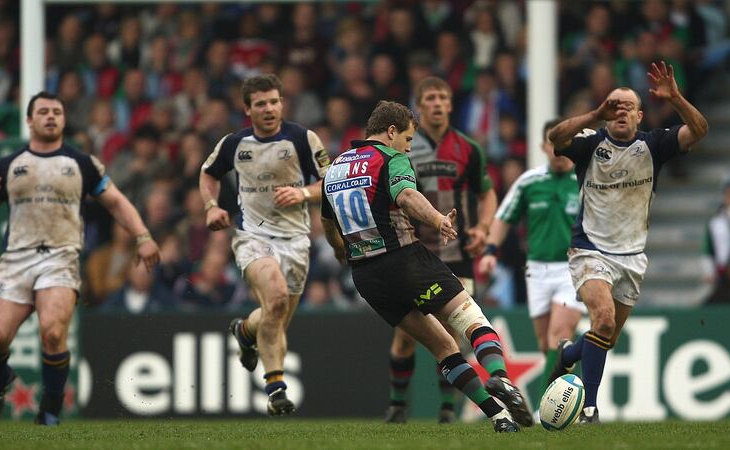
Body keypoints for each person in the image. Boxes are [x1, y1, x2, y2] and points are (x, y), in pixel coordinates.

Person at [320, 100, 532, 433]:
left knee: (443, 347)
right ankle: (501, 378)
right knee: (469, 318)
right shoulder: (391, 159)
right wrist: (437, 219)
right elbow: (405, 195)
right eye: (407, 138)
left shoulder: (334, 168)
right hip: (405, 260)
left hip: (366, 277)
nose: (408, 146)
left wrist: (339, 251)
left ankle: (499, 417)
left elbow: (328, 224)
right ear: (391, 132)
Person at [0, 91, 160, 425]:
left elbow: (115, 201)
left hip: (61, 258)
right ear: (29, 121)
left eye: (56, 112)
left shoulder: (81, 163)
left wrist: (143, 236)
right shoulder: (8, 164)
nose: (50, 117)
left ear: (63, 119)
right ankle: (1, 377)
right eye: (42, 112)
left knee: (54, 332)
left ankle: (51, 408)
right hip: (16, 260)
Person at [546, 61, 708, 423]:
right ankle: (589, 408)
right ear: (606, 114)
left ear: (639, 115)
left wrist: (677, 97)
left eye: (627, 107)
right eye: (613, 106)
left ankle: (569, 355)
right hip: (590, 250)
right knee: (601, 319)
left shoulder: (655, 145)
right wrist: (593, 113)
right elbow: (556, 138)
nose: (620, 112)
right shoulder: (589, 146)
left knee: (606, 337)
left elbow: (699, 130)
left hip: (632, 257)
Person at [200, 74, 329, 415]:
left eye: (274, 101)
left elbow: (331, 180)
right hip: (252, 237)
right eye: (260, 104)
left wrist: (302, 192)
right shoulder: (234, 144)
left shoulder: (303, 139)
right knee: (274, 297)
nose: (269, 108)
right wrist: (211, 206)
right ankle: (276, 391)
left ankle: (244, 332)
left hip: (297, 241)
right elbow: (209, 173)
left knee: (275, 318)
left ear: (282, 104)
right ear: (247, 109)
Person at [383, 77, 497, 424]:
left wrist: (483, 228)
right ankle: (398, 406)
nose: (436, 103)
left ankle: (448, 410)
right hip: (413, 252)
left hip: (457, 254)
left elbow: (487, 193)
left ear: (450, 104)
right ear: (419, 105)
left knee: (454, 336)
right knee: (406, 336)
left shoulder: (468, 149)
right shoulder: (403, 148)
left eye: (442, 97)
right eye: (429, 98)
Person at [480, 119, 586, 395]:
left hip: (574, 268)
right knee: (545, 344)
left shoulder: (585, 180)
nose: (559, 151)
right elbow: (503, 218)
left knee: (559, 335)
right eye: (554, 145)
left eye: (565, 145)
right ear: (543, 146)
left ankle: (545, 406)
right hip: (537, 270)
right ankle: (572, 391)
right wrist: (490, 251)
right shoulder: (529, 182)